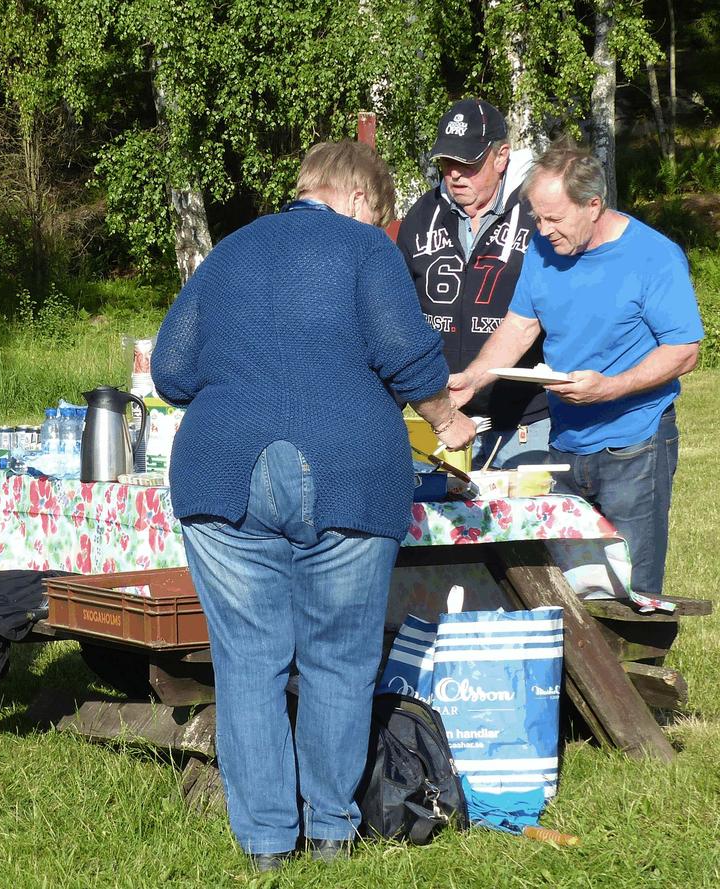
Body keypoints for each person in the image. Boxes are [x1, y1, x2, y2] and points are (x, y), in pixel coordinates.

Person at [151, 141, 474, 870]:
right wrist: (450, 423)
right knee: (339, 658)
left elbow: (170, 371)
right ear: (361, 200)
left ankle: (267, 845)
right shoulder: (364, 248)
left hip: (220, 470)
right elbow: (408, 353)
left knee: (247, 661)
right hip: (350, 470)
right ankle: (329, 831)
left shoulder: (228, 251)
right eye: (383, 214)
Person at [449, 138, 703, 598]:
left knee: (632, 592)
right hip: (565, 445)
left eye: (554, 218)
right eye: (537, 218)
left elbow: (684, 350)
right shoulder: (543, 251)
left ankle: (638, 670)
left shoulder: (653, 256)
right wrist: (473, 378)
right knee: (567, 592)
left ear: (593, 205)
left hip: (636, 445)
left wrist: (610, 388)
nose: (543, 231)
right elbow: (519, 329)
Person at [397, 98, 550, 468]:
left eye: (468, 163)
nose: (455, 174)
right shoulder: (421, 216)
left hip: (525, 420)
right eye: (448, 162)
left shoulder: (540, 215)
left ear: (502, 158)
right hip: (444, 424)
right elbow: (398, 315)